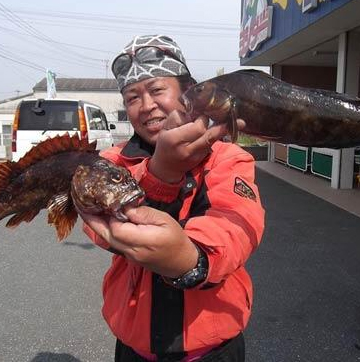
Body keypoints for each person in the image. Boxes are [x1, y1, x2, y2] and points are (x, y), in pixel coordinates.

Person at [78, 34, 265, 361]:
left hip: (214, 350)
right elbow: (97, 227)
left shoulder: (227, 156)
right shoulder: (112, 161)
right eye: (132, 97)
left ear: (188, 91)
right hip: (135, 349)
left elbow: (239, 227)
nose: (146, 105)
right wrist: (160, 172)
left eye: (157, 90)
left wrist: (189, 259)